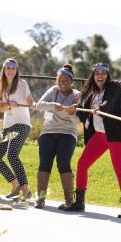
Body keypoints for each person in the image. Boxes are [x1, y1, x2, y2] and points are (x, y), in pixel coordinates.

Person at [65, 63, 121, 218]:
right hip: (101, 135)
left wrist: (101, 108)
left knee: (119, 168)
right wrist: (74, 109)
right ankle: (79, 202)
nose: (100, 76)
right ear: (93, 76)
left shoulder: (114, 87)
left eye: (103, 73)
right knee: (82, 164)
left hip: (116, 134)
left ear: (107, 75)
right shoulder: (92, 93)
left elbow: (109, 104)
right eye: (97, 73)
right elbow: (84, 113)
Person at [34, 64, 80, 209]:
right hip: (48, 131)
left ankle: (68, 201)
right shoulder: (53, 91)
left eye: (66, 80)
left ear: (71, 81)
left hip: (67, 133)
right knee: (44, 164)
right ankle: (40, 199)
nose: (62, 83)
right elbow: (39, 105)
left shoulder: (77, 95)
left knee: (63, 164)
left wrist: (71, 112)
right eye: (60, 80)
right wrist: (54, 105)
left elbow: (78, 122)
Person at [0, 58, 36, 200]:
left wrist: (33, 103)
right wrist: (9, 104)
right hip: (7, 125)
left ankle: (26, 190)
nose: (10, 70)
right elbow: (1, 108)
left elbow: (29, 99)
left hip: (22, 123)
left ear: (16, 71)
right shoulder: (1, 86)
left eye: (13, 68)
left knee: (12, 155)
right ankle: (15, 185)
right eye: (8, 67)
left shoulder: (22, 84)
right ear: (4, 70)